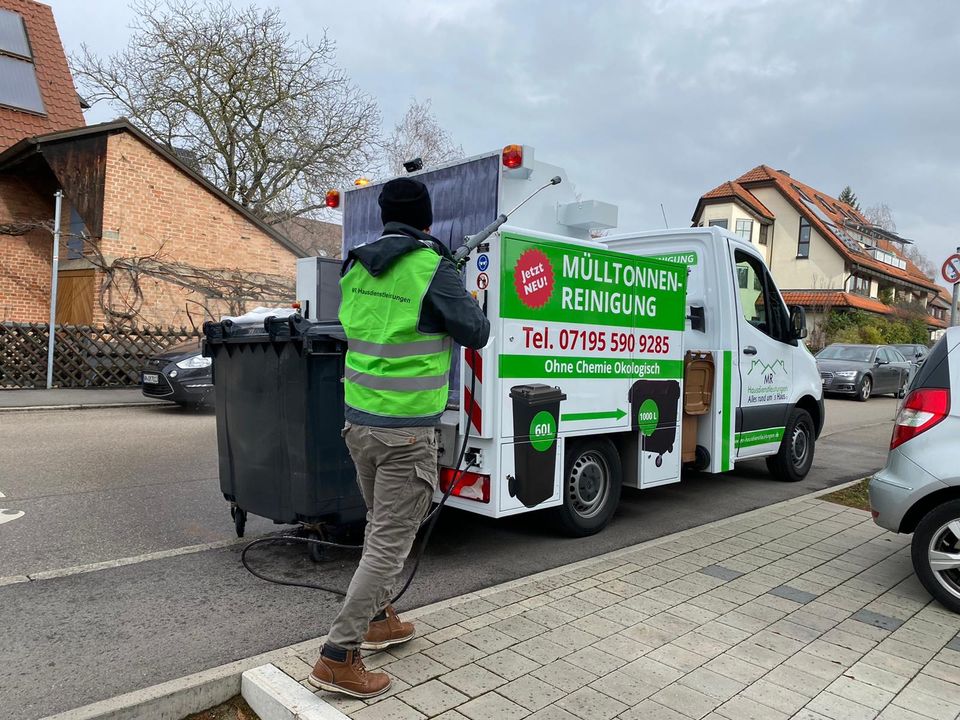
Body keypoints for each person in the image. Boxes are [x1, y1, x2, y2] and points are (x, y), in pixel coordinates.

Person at [309, 177, 490, 698]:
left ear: (384, 217)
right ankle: (339, 655)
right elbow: (476, 331)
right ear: (427, 219)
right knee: (388, 545)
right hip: (406, 434)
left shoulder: (355, 264)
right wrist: (460, 286)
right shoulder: (434, 267)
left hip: (358, 424)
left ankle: (381, 618)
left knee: (379, 530)